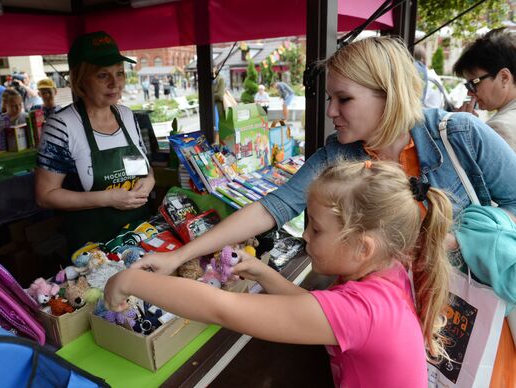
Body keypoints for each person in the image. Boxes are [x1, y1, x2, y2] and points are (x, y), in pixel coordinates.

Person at [131, 36, 516, 385]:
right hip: (392, 327)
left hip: (463, 313)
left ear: (389, 93)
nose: (330, 110)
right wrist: (182, 255)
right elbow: (274, 206)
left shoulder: (461, 134)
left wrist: (447, 240)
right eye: (329, 98)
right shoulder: (339, 153)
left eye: (343, 99)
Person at [106, 160, 453, 387]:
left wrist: (130, 280)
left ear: (363, 248)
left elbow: (223, 308)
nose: (304, 236)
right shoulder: (388, 269)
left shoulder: (364, 311)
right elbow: (317, 312)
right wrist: (261, 272)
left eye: (315, 230)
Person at [35, 31, 155, 254]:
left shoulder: (128, 116)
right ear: (80, 79)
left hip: (141, 235)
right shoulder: (61, 126)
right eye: (102, 75)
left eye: (119, 73)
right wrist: (109, 198)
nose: (115, 83)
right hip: (93, 249)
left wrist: (147, 184)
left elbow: (145, 171)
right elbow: (45, 196)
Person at [454, 27, 516, 152]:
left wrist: (460, 133)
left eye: (473, 83)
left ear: (504, 77)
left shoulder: (501, 128)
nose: (469, 92)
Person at [413, 45, 451, 110]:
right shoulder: (432, 75)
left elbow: (415, 102)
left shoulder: (425, 77)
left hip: (428, 117)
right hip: (436, 114)